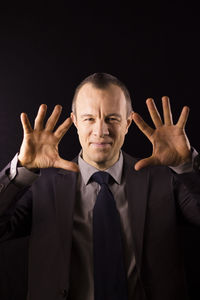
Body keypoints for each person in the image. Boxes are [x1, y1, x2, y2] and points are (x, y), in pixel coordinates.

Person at [0, 72, 200, 300]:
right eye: (89, 119)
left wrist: (187, 165)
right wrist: (21, 170)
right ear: (75, 122)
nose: (101, 131)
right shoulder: (41, 184)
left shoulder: (165, 180)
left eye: (112, 119)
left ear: (127, 124)